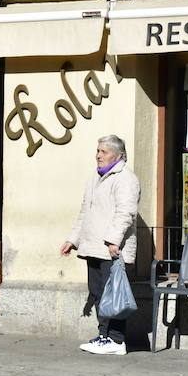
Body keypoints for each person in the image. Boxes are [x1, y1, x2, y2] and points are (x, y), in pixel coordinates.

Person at [61, 135, 141, 355]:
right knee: (97, 292)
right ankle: (104, 337)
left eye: (103, 152)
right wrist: (73, 240)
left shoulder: (125, 179)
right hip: (93, 246)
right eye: (98, 151)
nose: (98, 155)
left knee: (113, 295)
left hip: (110, 248)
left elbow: (125, 213)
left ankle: (116, 340)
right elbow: (85, 213)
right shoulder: (95, 178)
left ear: (118, 155)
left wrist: (114, 240)